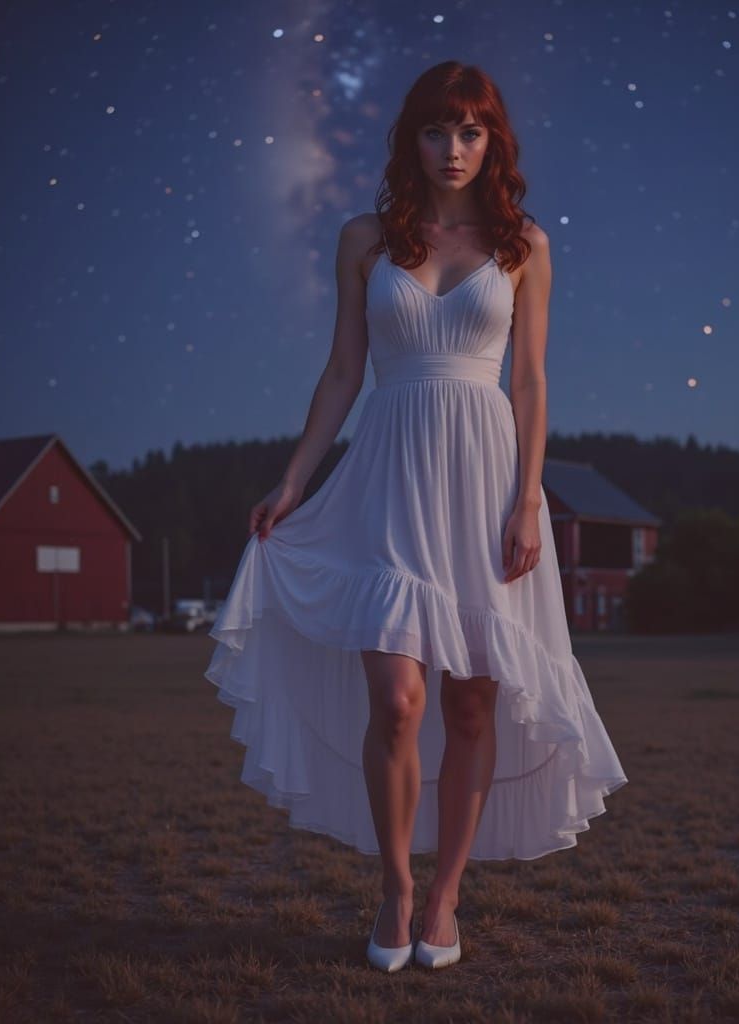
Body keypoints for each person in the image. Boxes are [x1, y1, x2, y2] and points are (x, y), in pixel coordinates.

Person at [205, 60, 628, 973]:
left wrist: (529, 500)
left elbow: (530, 381)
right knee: (397, 701)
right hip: (386, 484)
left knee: (473, 704)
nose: (453, 149)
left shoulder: (526, 245)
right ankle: (396, 887)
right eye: (437, 131)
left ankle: (445, 898)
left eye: (472, 132)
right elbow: (342, 373)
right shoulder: (367, 238)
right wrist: (293, 482)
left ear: (494, 143)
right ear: (412, 139)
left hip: (486, 489)